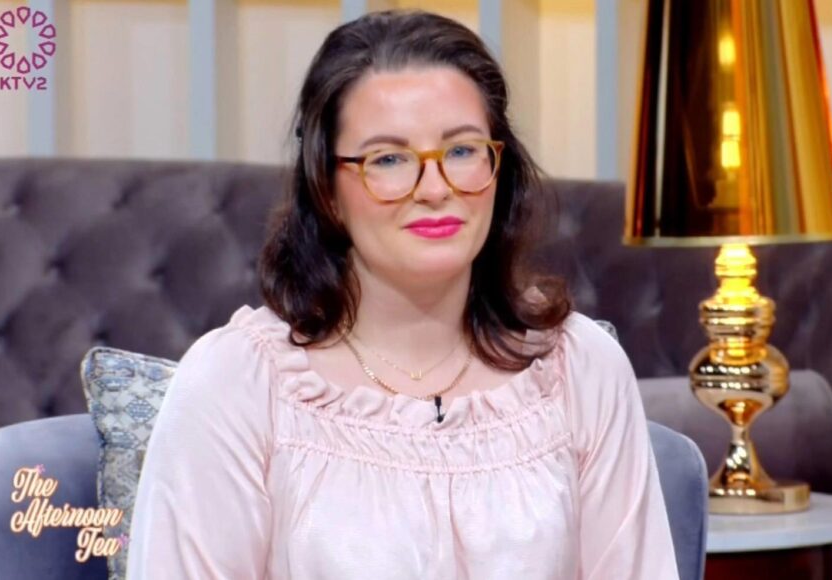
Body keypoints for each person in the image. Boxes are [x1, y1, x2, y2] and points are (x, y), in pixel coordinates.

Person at [126, 9, 678, 579]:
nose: (435, 189)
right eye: (388, 159)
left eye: (462, 150)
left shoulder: (581, 369)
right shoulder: (238, 383)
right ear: (327, 189)